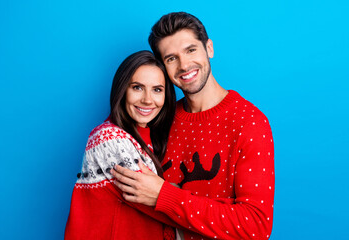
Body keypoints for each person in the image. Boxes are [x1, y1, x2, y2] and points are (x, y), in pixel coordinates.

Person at [111, 12, 275, 240]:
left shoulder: (249, 122)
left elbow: (256, 226)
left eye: (191, 50)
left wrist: (164, 196)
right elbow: (134, 194)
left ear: (209, 48)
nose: (184, 65)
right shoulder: (159, 117)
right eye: (171, 58)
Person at [64, 50, 179, 240]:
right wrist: (227, 211)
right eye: (137, 87)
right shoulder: (108, 138)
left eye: (157, 89)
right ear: (122, 89)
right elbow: (163, 207)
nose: (148, 99)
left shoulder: (146, 140)